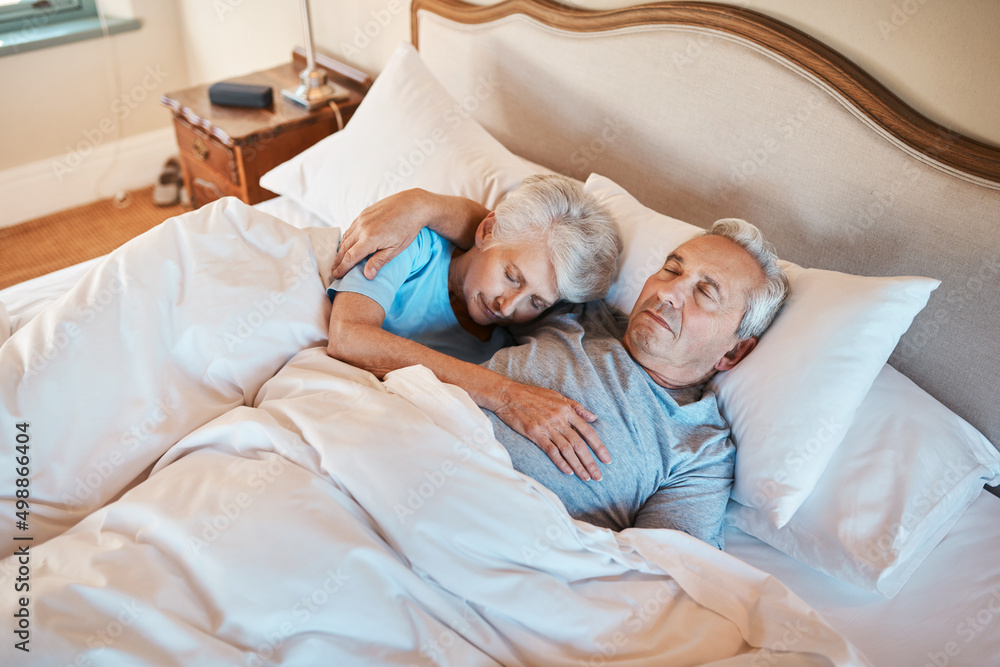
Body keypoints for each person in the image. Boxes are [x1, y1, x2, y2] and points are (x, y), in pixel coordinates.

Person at [331, 190, 789, 548]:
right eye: (671, 269)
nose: (668, 292)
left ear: (732, 354)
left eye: (705, 293)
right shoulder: (580, 316)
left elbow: (666, 574)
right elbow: (514, 238)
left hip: (489, 536)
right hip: (387, 453)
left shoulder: (701, 448)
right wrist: (422, 204)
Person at [326, 175, 623, 479]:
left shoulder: (505, 350)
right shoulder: (411, 243)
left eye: (535, 302)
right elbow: (348, 337)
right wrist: (502, 393)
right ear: (487, 231)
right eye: (511, 276)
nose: (507, 307)